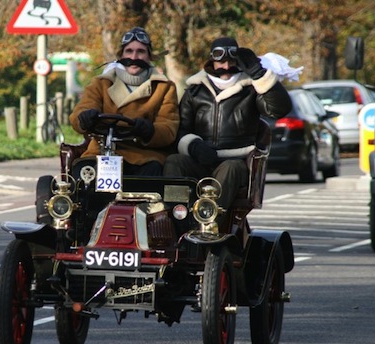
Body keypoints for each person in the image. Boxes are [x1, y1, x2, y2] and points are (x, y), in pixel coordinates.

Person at [164, 37, 292, 214]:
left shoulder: (251, 90)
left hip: (236, 161)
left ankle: (210, 221)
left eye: (231, 61)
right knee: (174, 161)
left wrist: (259, 74)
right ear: (212, 62)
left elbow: (279, 109)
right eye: (221, 62)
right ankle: (176, 217)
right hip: (200, 160)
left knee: (230, 168)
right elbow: (181, 129)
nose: (225, 67)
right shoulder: (195, 91)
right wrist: (193, 146)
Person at [69, 27, 179, 176]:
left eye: (140, 51)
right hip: (101, 152)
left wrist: (149, 131)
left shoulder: (164, 87)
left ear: (149, 56)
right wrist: (84, 118)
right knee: (82, 176)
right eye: (129, 51)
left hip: (143, 155)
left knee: (152, 175)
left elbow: (168, 128)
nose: (134, 57)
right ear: (121, 55)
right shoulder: (101, 83)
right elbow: (82, 110)